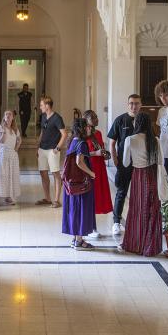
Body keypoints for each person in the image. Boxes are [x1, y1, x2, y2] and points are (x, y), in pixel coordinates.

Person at [119, 113, 164, 257]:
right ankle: (150, 246)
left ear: (136, 124)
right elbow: (161, 161)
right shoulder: (155, 140)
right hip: (152, 175)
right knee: (152, 210)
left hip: (138, 176)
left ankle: (135, 245)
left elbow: (125, 163)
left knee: (138, 211)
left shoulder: (130, 140)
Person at [107, 94, 142, 235]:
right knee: (121, 192)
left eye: (137, 103)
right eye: (131, 103)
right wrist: (115, 160)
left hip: (140, 163)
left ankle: (137, 221)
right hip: (124, 163)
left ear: (141, 105)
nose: (134, 106)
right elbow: (112, 143)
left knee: (138, 193)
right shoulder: (120, 120)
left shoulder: (143, 120)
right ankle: (116, 221)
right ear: (128, 104)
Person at [62, 118, 97, 250]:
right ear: (82, 128)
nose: (90, 129)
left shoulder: (73, 141)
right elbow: (79, 162)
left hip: (73, 183)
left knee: (74, 210)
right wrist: (91, 173)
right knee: (82, 209)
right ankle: (79, 241)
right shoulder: (82, 143)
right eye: (87, 127)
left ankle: (75, 239)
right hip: (81, 183)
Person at [82, 110, 113, 240]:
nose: (96, 119)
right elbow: (82, 154)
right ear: (86, 120)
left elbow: (100, 149)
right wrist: (96, 154)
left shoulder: (98, 133)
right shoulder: (82, 135)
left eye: (96, 116)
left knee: (96, 198)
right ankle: (88, 228)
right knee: (88, 198)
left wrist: (104, 154)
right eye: (93, 117)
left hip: (99, 167)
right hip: (89, 168)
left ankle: (93, 227)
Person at [35, 96, 67, 208]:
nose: (40, 107)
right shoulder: (43, 116)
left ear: (47, 106)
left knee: (55, 174)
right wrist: (37, 146)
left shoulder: (57, 118)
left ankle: (56, 200)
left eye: (41, 105)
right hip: (42, 149)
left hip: (52, 150)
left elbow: (64, 134)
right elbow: (42, 132)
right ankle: (47, 198)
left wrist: (58, 148)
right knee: (43, 173)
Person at [0, 110, 21, 207]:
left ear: (13, 117)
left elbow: (20, 140)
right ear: (4, 117)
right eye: (6, 114)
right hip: (3, 154)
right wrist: (3, 130)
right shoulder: (0, 127)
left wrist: (16, 148)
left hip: (12, 155)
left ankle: (9, 197)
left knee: (11, 176)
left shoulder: (15, 129)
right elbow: (0, 141)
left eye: (10, 114)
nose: (8, 116)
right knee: (1, 175)